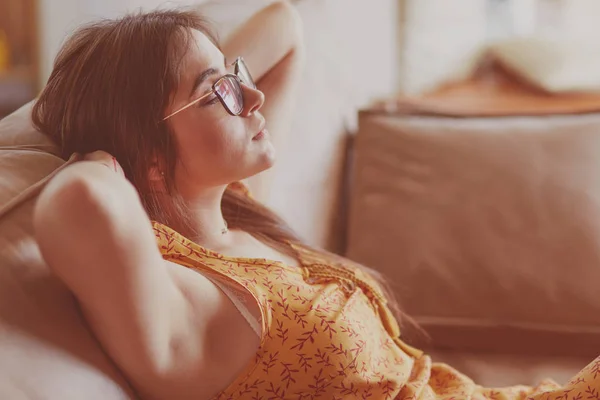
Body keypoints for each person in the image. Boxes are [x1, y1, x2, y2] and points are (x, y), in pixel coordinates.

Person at [30, 2, 599, 400]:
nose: (251, 96)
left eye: (235, 74)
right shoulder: (187, 297)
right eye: (219, 92)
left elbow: (285, 26)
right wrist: (106, 157)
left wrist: (190, 65)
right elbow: (78, 199)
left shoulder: (238, 218)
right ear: (149, 156)